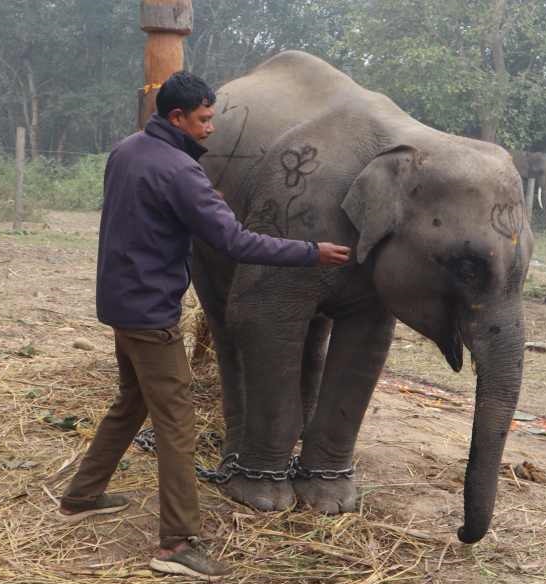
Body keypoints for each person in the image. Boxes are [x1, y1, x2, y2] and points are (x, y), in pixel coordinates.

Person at [55, 71, 351, 581]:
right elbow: (235, 242)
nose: (211, 128)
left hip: (120, 303)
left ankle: (83, 495)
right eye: (204, 119)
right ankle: (177, 543)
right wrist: (311, 252)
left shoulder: (127, 150)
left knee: (131, 403)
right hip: (152, 314)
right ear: (178, 118)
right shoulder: (181, 172)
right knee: (177, 426)